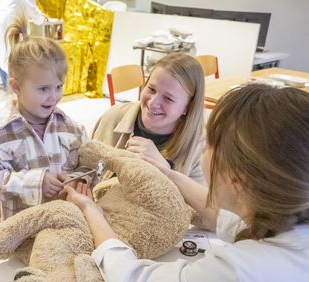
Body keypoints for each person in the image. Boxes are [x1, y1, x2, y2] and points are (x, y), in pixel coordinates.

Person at [65, 84, 309, 281]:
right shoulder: (287, 215)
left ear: (237, 179)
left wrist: (90, 209)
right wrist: (166, 171)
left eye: (211, 143)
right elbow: (224, 217)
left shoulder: (240, 270)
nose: (203, 146)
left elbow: (132, 276)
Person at [0, 17, 89, 220]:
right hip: (23, 235)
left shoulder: (73, 129)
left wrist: (78, 180)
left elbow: (89, 165)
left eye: (59, 86)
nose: (53, 96)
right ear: (16, 87)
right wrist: (33, 182)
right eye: (43, 89)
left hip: (67, 226)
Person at [91, 53, 206, 186]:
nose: (152, 102)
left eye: (168, 98)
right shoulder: (114, 116)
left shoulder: (199, 146)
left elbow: (201, 204)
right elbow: (91, 165)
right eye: (151, 89)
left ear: (188, 107)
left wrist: (165, 169)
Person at [0, 0, 47, 91]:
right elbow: (33, 12)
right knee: (10, 60)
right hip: (8, 24)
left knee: (3, 58)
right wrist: (42, 18)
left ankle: (8, 90)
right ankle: (13, 93)